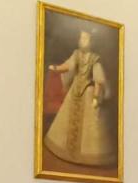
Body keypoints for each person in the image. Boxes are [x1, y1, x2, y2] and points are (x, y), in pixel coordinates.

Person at [44, 30, 116, 167]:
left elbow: (98, 80)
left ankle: (88, 156)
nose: (83, 40)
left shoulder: (95, 59)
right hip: (75, 91)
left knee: (91, 127)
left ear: (92, 42)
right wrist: (57, 68)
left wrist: (95, 97)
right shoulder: (76, 54)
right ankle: (66, 151)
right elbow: (68, 65)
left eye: (86, 38)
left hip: (88, 92)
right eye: (81, 38)